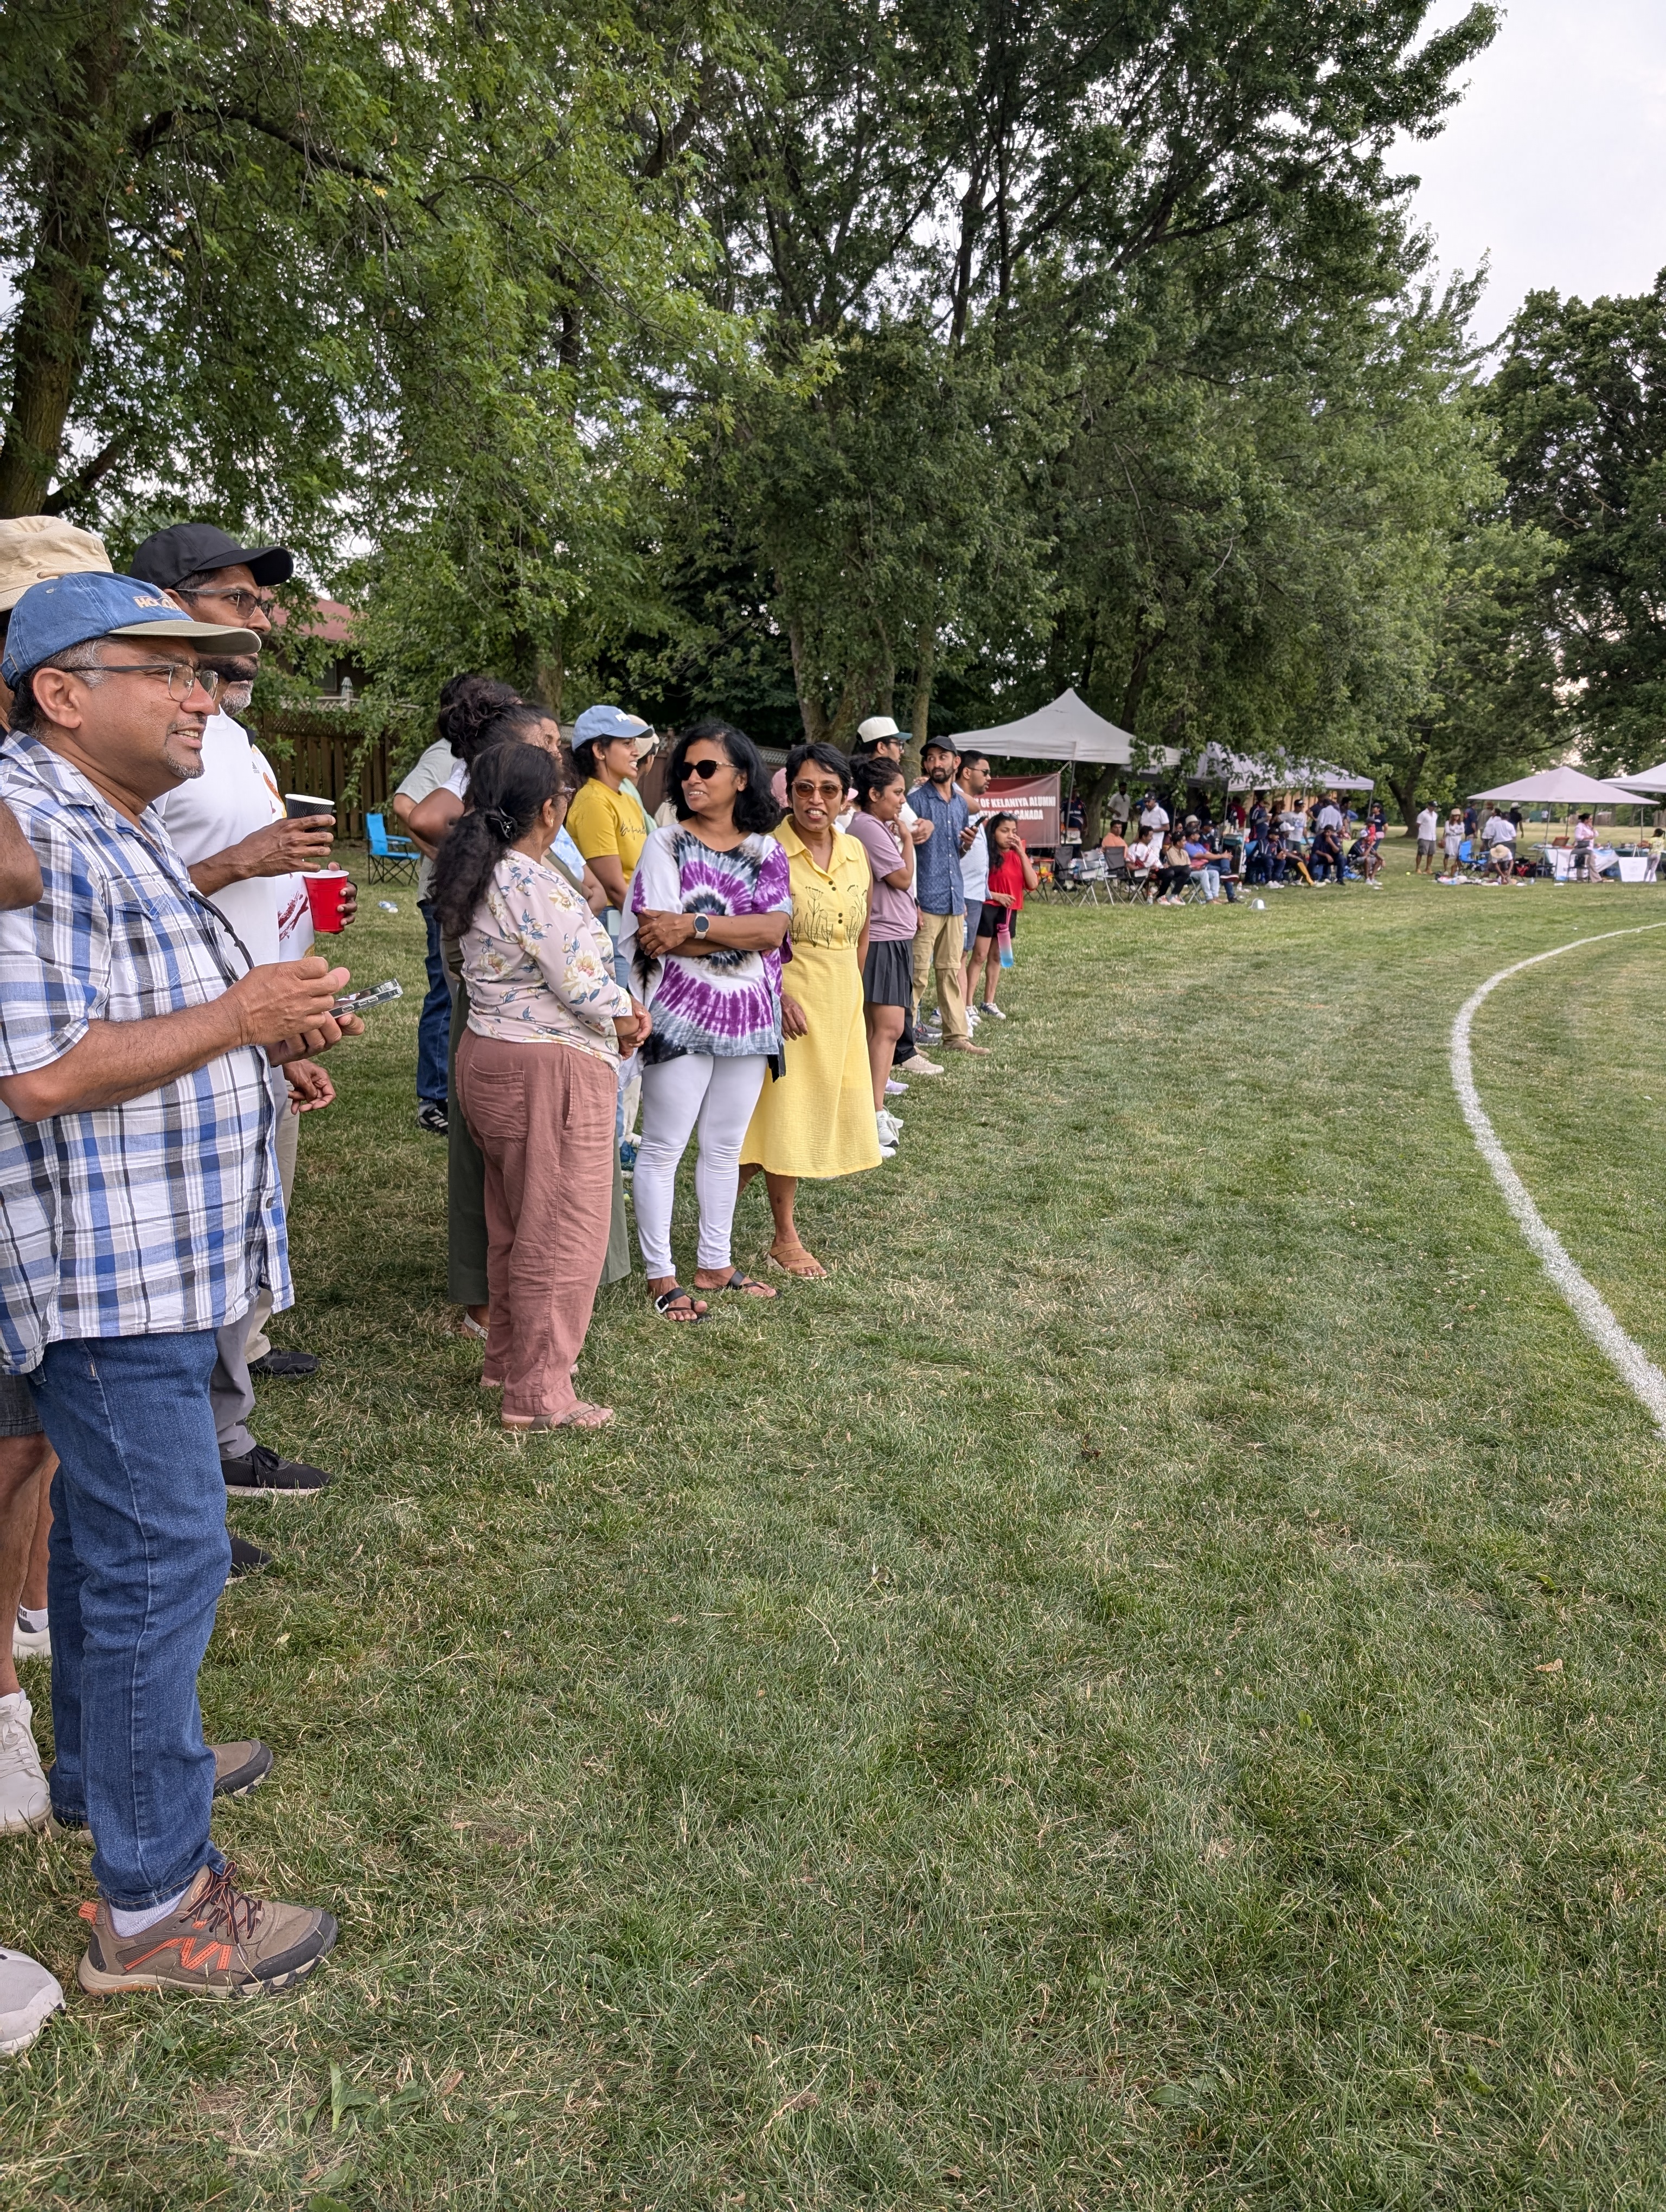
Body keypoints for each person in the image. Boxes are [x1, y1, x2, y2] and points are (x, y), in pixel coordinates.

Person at [0, 571, 353, 1994]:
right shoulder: (28, 819)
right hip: (108, 1275)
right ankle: (153, 1908)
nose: (207, 692)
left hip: (142, 1259)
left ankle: (101, 1768)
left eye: (213, 671)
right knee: (166, 1561)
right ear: (60, 692)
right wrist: (244, 1012)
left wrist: (254, 1046)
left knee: (101, 1547)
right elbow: (36, 1075)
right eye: (169, 667)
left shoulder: (106, 818)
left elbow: (110, 1010)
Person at [132, 524, 345, 1510]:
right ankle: (194, 1467)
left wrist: (288, 1022)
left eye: (263, 607)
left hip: (255, 1028)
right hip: (179, 1032)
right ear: (168, 605)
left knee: (243, 1237)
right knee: (185, 1262)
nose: (260, 623)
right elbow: (123, 892)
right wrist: (242, 861)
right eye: (237, 601)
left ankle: (223, 1432)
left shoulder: (232, 737)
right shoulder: (136, 745)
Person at [437, 742, 646, 1431]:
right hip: (546, 1068)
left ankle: (509, 1360)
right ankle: (539, 1393)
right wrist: (626, 1011)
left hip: (492, 1056)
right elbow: (579, 979)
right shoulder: (528, 879)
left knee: (514, 1223)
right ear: (551, 811)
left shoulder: (481, 869)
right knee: (561, 1232)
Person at [410, 693, 625, 1327]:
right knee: (527, 1191)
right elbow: (576, 979)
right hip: (527, 1030)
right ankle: (521, 1330)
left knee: (527, 1187)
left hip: (528, 1026)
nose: (561, 752)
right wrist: (626, 1013)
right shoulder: (508, 858)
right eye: (550, 743)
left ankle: (520, 1314)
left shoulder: (511, 858)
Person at [620, 719, 792, 1317]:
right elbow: (654, 933)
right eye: (684, 770)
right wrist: (736, 935)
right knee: (664, 1146)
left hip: (749, 1014)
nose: (691, 779)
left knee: (723, 1146)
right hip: (679, 1011)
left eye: (706, 769)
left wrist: (695, 926)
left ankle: (715, 1263)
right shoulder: (665, 843)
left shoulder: (767, 850)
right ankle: (661, 1276)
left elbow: (774, 931)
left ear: (742, 778)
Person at [738, 743, 880, 1275]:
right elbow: (749, 937)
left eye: (827, 790)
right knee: (781, 1116)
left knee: (784, 1120)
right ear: (788, 792)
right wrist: (775, 996)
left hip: (840, 997)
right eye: (804, 788)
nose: (815, 800)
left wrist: (854, 991)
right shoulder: (766, 853)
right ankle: (784, 1237)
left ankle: (715, 1214)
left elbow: (863, 927)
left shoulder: (855, 853)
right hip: (786, 1002)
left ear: (845, 798)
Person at [392, 677, 501, 1136]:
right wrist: (447, 854)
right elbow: (403, 804)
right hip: (444, 894)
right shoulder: (447, 755)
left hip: (467, 891)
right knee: (445, 991)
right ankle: (432, 1098)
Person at [846, 755, 917, 1156]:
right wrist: (907, 839)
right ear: (873, 795)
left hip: (893, 936)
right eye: (897, 793)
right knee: (887, 1028)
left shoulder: (871, 825)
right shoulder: (869, 827)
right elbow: (902, 878)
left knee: (882, 1029)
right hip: (883, 939)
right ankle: (870, 1115)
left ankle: (873, 1110)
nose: (902, 801)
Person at [908, 738, 988, 1057]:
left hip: (955, 899)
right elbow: (905, 854)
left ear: (956, 763)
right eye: (930, 758)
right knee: (917, 975)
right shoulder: (915, 802)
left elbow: (952, 852)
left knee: (951, 970)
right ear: (926, 766)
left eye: (943, 757)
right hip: (925, 900)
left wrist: (965, 844)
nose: (936, 763)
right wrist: (912, 902)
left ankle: (956, 1035)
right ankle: (904, 1041)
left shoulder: (959, 803)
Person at [564, 703, 653, 911]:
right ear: (599, 751)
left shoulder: (629, 800)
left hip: (635, 911)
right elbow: (614, 887)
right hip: (615, 917)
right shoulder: (593, 802)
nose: (636, 752)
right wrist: (650, 929)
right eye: (627, 744)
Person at [971, 813, 1039, 1013]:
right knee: (979, 956)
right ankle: (967, 1004)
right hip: (987, 908)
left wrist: (1021, 853)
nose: (1010, 836)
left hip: (1008, 913)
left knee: (997, 957)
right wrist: (995, 895)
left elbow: (1033, 884)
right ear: (993, 833)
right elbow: (975, 884)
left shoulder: (1018, 855)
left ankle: (988, 1002)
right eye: (1004, 831)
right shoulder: (984, 854)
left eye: (1014, 832)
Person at [954, 750, 992, 1018]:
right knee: (956, 956)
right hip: (963, 892)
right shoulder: (954, 799)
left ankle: (963, 1007)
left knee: (964, 955)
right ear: (967, 772)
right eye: (986, 772)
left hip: (975, 893)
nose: (990, 778)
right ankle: (954, 1010)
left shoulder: (967, 803)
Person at [1415, 801, 1440, 874]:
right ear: (1429, 806)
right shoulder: (1423, 814)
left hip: (1432, 837)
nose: (1434, 808)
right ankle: (1418, 868)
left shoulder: (1435, 815)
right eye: (1433, 806)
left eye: (1435, 807)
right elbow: (1418, 824)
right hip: (1424, 836)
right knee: (1421, 852)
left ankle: (1428, 868)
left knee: (1431, 853)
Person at [1443, 807, 1464, 873]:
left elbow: (1462, 831)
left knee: (1458, 854)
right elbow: (1447, 831)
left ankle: (1459, 869)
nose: (1457, 817)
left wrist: (1454, 830)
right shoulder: (1448, 823)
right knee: (1447, 854)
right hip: (1449, 839)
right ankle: (1446, 870)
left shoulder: (1461, 823)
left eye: (1458, 815)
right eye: (1455, 815)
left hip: (1457, 839)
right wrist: (1456, 831)